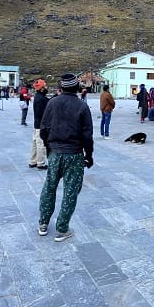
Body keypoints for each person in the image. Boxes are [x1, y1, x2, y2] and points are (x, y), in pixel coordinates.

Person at [38, 73, 94, 242]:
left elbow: (43, 129)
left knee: (49, 187)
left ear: (61, 87)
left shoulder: (52, 103)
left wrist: (50, 149)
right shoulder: (82, 107)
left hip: (55, 153)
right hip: (75, 155)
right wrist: (88, 156)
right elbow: (87, 136)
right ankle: (62, 228)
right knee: (71, 191)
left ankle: (43, 223)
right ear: (77, 88)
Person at [30, 79, 49, 169]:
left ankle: (33, 161)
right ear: (41, 89)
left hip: (36, 124)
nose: (46, 88)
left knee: (34, 143)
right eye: (45, 86)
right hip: (41, 125)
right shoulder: (42, 99)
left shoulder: (37, 97)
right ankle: (40, 163)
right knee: (41, 144)